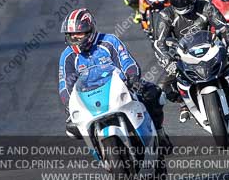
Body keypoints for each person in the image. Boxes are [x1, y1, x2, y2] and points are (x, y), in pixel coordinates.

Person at [58, 8, 171, 148]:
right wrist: (69, 103)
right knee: (72, 127)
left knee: (154, 94)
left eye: (79, 33)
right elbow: (65, 84)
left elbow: (127, 61)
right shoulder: (67, 56)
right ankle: (99, 150)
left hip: (119, 88)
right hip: (89, 98)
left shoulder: (109, 41)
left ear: (90, 31)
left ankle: (159, 133)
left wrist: (132, 78)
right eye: (71, 34)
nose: (75, 38)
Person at [153, 0, 229, 122]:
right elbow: (159, 43)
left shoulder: (206, 7)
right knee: (161, 88)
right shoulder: (165, 15)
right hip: (183, 56)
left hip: (210, 49)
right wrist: (167, 61)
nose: (180, 1)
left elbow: (226, 27)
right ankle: (183, 103)